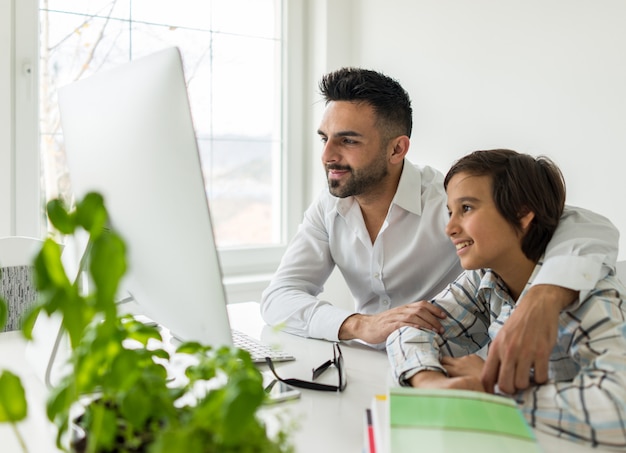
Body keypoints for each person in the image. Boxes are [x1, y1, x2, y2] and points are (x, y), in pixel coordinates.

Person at [260, 67, 619, 394]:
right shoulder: (328, 207)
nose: (327, 155)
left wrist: (545, 295)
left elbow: (581, 225)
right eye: (324, 138)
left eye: (348, 140)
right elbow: (278, 298)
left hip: (461, 372)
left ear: (397, 149)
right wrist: (360, 325)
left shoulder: (448, 198)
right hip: (377, 372)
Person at [386, 149, 626, 447]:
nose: (449, 228)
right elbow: (411, 328)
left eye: (467, 208)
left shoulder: (593, 298)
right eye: (450, 211)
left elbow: (618, 409)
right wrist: (430, 383)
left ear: (522, 214)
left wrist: (496, 391)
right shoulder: (484, 277)